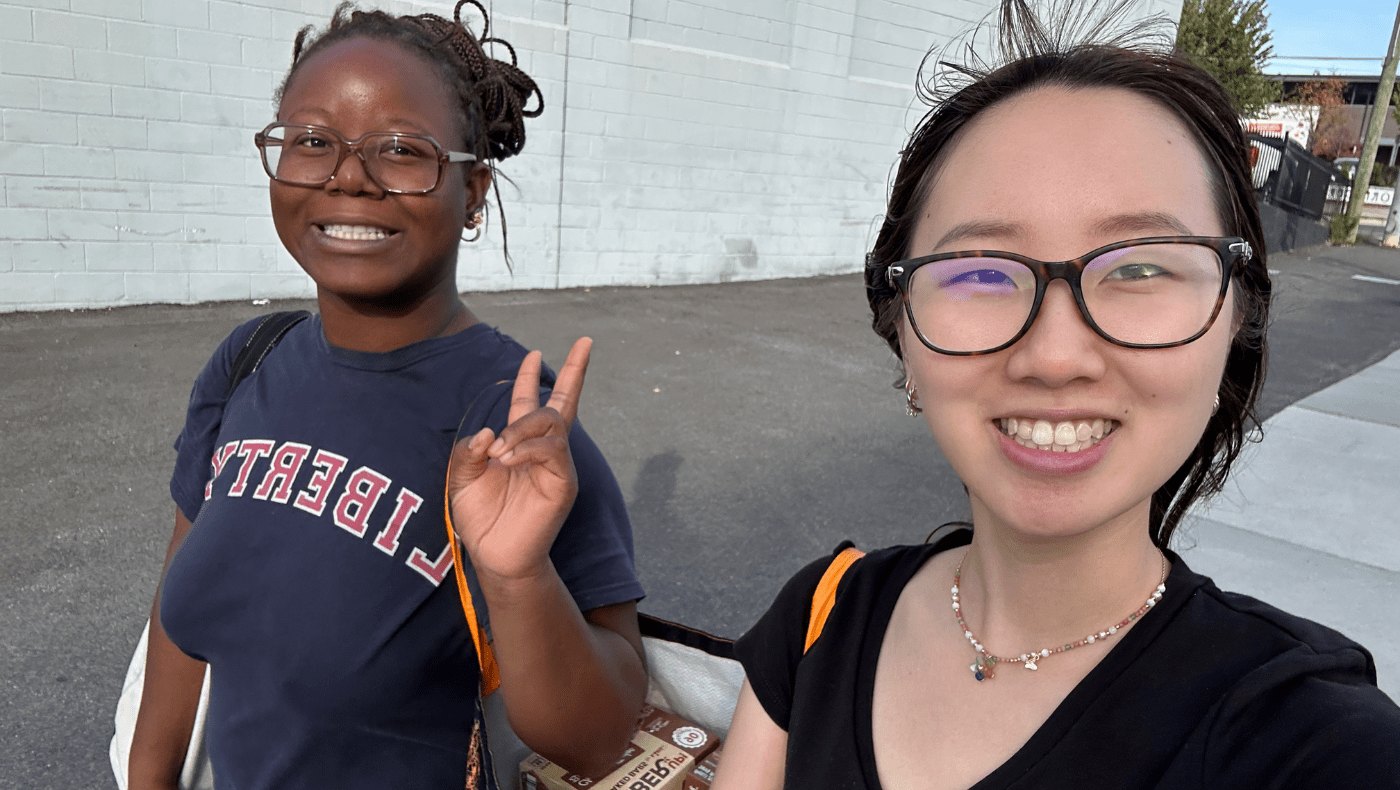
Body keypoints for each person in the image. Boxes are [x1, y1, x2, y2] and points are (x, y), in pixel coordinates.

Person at [713, 2, 1400, 788]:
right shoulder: (823, 618)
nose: (1055, 355)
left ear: (1236, 320)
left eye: (1141, 267)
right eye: (979, 271)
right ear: (901, 328)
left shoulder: (1307, 741)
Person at [127, 3, 647, 788]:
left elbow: (598, 737)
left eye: (402, 150)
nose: (347, 176)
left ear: (473, 191)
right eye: (311, 141)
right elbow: (176, 620)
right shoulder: (249, 361)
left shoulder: (512, 428)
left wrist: (518, 580)